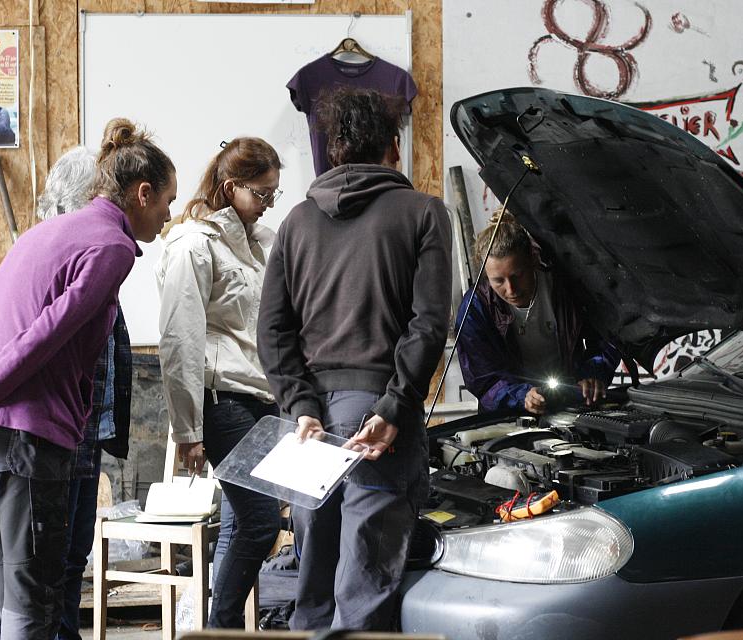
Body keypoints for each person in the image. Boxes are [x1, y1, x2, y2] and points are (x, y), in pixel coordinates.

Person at [0, 118, 175, 640]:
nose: (168, 216)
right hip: (26, 438)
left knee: (5, 591)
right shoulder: (113, 248)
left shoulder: (43, 232)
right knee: (35, 598)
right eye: (166, 201)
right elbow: (47, 333)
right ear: (141, 195)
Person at [258, 86, 451, 631]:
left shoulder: (296, 222)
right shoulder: (424, 212)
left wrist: (300, 404)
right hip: (376, 419)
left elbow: (273, 329)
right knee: (363, 592)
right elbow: (429, 324)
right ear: (393, 145)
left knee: (313, 585)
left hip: (308, 428)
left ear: (335, 150)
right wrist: (394, 407)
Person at [156, 136, 283, 629]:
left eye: (275, 192)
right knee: (259, 522)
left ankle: (221, 627)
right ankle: (221, 628)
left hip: (260, 396)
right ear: (231, 187)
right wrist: (187, 430)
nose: (269, 203)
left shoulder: (260, 243)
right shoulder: (193, 243)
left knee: (238, 521)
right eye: (262, 193)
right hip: (220, 398)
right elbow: (179, 338)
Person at [36, 146, 134, 640]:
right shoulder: (59, 252)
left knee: (75, 554)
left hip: (88, 428)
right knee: (51, 558)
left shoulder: (100, 252)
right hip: (58, 427)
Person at [456, 213, 621, 414]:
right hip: (508, 416)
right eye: (498, 281)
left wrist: (593, 374)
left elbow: (608, 336)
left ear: (532, 259)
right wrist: (521, 396)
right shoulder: (474, 309)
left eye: (518, 275)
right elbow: (485, 381)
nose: (511, 289)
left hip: (570, 404)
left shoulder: (566, 285)